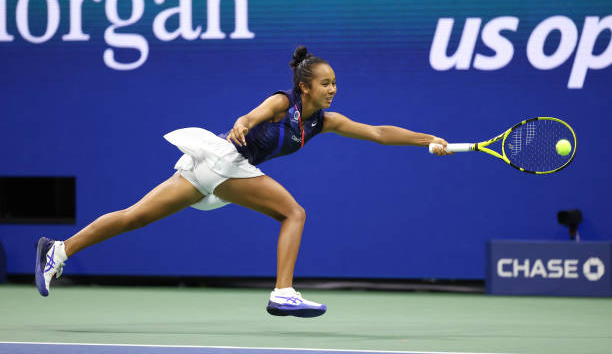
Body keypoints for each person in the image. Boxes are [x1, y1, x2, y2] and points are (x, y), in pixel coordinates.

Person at [35, 46, 450, 318]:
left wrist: (428, 139)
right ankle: (283, 291)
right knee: (294, 213)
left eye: (336, 83)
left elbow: (378, 131)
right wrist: (244, 122)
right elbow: (252, 116)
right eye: (326, 84)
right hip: (223, 159)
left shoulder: (324, 123)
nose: (333, 90)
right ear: (305, 86)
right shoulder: (283, 102)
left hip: (211, 168)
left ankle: (59, 250)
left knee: (135, 217)